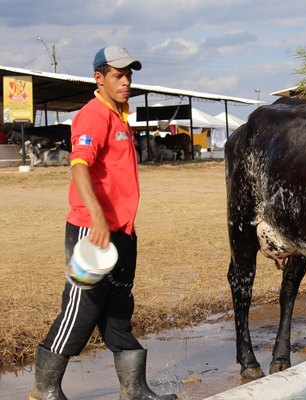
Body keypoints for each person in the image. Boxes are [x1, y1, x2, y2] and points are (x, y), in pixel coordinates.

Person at [29, 45, 177, 400]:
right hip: (91, 230)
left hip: (122, 233)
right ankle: (43, 389)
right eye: (118, 75)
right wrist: (97, 217)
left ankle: (134, 389)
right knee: (82, 307)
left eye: (129, 75)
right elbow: (79, 165)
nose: (126, 81)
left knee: (119, 309)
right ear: (100, 78)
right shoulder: (94, 115)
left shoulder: (120, 114)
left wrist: (125, 226)